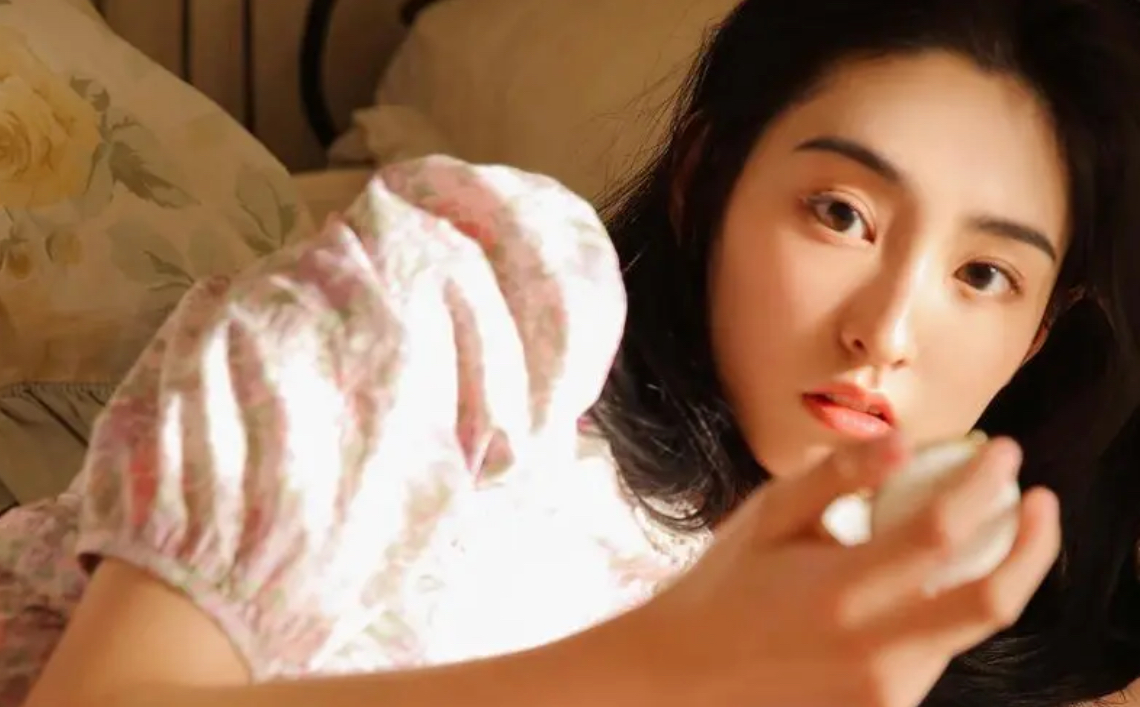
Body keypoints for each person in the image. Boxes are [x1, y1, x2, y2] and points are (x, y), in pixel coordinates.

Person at [11, 0, 1140, 705]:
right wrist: (673, 666)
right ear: (704, 183)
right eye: (841, 213)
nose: (886, 333)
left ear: (1038, 334)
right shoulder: (491, 303)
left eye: (983, 275)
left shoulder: (917, 627)